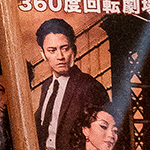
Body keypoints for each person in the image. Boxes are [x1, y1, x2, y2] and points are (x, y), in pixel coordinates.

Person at [34, 19, 108, 150]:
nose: (60, 56)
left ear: (73, 50)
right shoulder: (46, 86)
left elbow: (104, 137)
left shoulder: (90, 87)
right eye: (52, 50)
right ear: (43, 55)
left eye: (65, 48)